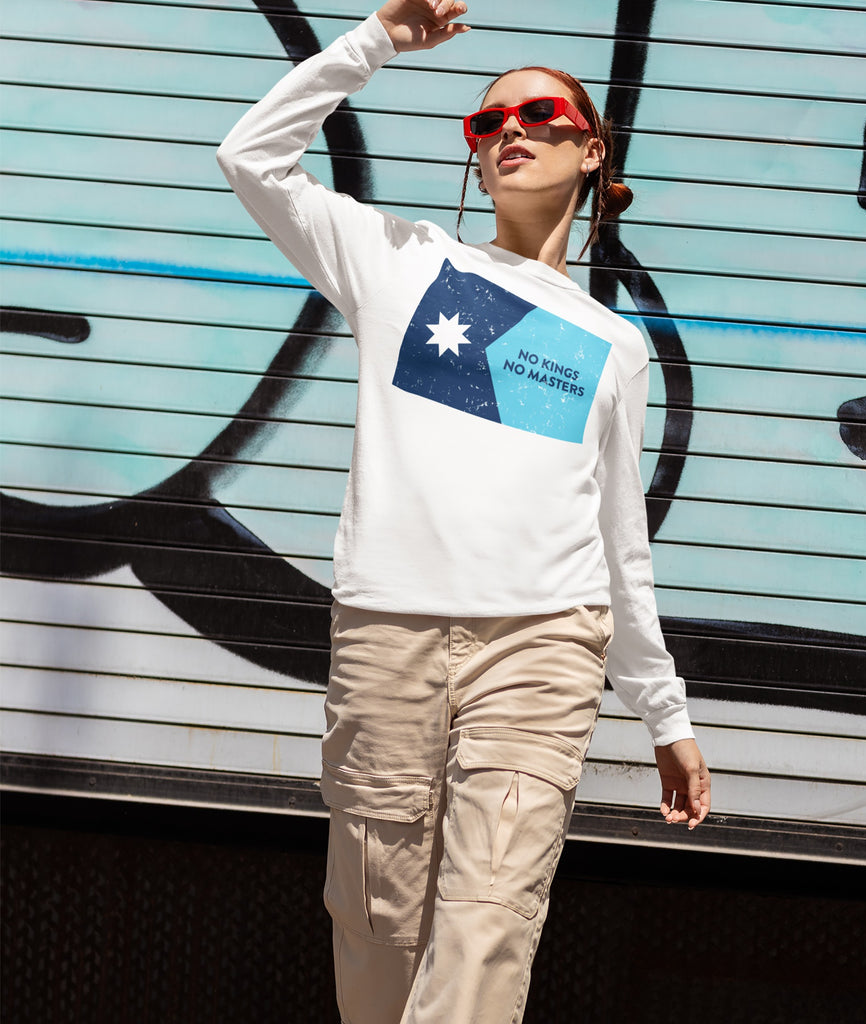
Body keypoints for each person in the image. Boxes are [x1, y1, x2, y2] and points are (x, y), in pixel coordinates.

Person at [217, 1, 710, 1020]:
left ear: (591, 149)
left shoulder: (614, 347)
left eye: (537, 114)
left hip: (542, 644)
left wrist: (662, 709)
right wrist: (374, 40)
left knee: (489, 920)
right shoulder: (403, 263)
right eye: (487, 123)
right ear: (477, 161)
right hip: (387, 633)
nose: (509, 131)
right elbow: (251, 156)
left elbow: (618, 538)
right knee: (376, 924)